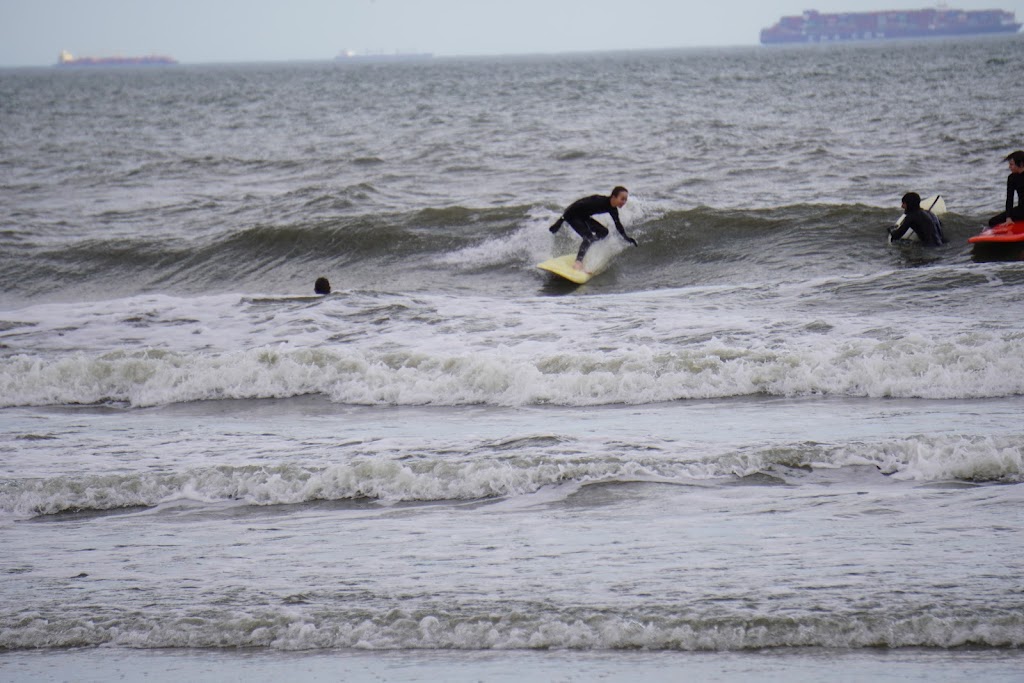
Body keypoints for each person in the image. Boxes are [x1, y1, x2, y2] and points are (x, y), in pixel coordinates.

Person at [549, 186, 638, 271]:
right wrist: (559, 222)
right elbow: (575, 205)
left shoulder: (613, 209)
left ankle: (587, 245)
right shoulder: (599, 201)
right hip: (572, 215)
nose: (624, 202)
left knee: (603, 232)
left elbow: (618, 225)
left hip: (583, 216)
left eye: (625, 200)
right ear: (614, 197)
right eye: (622, 199)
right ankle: (578, 262)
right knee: (588, 237)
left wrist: (626, 238)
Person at [988, 150, 1024, 227]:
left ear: (1021, 164)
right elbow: (1009, 198)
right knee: (992, 221)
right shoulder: (1012, 178)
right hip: (1022, 210)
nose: (1009, 167)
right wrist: (1008, 218)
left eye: (1011, 164)